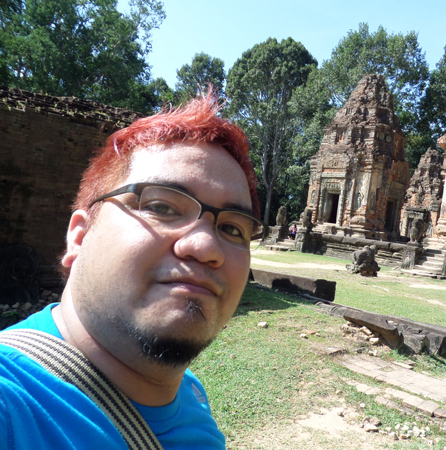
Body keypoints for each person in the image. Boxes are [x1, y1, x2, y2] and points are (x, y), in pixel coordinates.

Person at [0, 91, 267, 449]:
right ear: (79, 236)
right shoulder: (11, 402)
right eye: (161, 206)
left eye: (233, 229)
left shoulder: (190, 394)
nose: (206, 248)